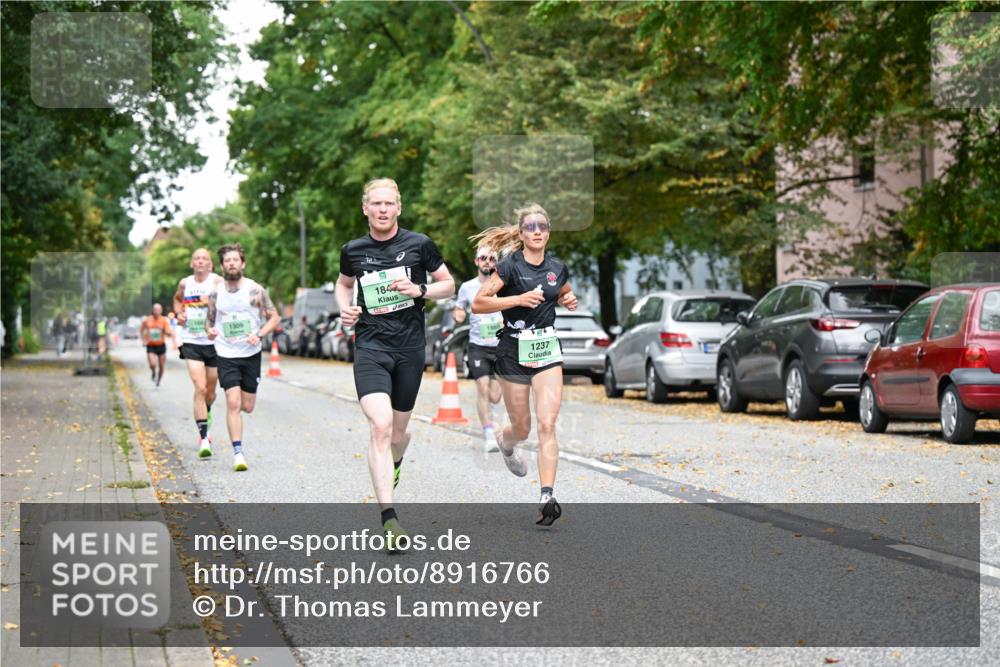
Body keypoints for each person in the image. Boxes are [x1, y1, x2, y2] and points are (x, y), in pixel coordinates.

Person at [335, 177, 455, 551]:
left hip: (409, 350)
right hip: (370, 346)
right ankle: (390, 519)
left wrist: (420, 290)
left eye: (389, 204)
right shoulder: (353, 250)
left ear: (398, 208)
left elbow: (448, 284)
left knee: (399, 435)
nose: (383, 210)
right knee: (381, 426)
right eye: (376, 204)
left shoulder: (419, 245)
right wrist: (345, 308)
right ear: (365, 209)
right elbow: (343, 283)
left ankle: (395, 463)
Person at [472, 203, 578, 526]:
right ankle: (507, 444)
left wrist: (568, 300)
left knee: (547, 424)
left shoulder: (557, 268)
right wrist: (517, 300)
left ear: (548, 232)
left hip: (546, 349)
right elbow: (479, 303)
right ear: (521, 233)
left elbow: (564, 292)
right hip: (513, 350)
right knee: (523, 427)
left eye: (542, 227)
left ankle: (547, 495)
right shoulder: (508, 267)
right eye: (530, 227)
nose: (536, 232)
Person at [206, 243, 280, 472]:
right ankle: (238, 452)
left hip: (250, 354)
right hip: (225, 353)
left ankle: (238, 445)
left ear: (242, 263)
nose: (231, 264)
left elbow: (274, 317)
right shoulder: (215, 293)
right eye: (227, 261)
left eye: (235, 260)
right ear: (222, 265)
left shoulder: (255, 290)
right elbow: (209, 321)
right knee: (233, 402)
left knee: (247, 406)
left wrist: (258, 335)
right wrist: (210, 330)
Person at [173, 248, 224, 458]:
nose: (200, 261)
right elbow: (177, 300)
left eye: (204, 258)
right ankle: (204, 437)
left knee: (211, 391)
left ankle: (207, 412)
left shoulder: (218, 282)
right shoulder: (185, 283)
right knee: (200, 387)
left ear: (210, 265)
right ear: (191, 263)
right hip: (191, 340)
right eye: (197, 258)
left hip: (214, 342)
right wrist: (179, 314)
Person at [452, 246, 504, 453]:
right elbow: (459, 307)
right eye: (483, 258)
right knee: (482, 388)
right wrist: (459, 315)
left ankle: (492, 421)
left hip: (500, 347)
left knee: (495, 396)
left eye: (492, 259)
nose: (487, 262)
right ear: (476, 262)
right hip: (478, 346)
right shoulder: (467, 287)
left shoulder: (503, 285)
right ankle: (489, 434)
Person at [140, 304, 172, 387]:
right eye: (155, 310)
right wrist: (143, 340)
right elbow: (142, 330)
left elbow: (169, 333)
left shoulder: (164, 320)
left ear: (161, 311)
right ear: (152, 310)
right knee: (153, 364)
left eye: (158, 310)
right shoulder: (147, 320)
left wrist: (164, 331)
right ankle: (153, 371)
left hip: (161, 345)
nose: (157, 312)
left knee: (161, 366)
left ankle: (158, 381)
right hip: (151, 345)